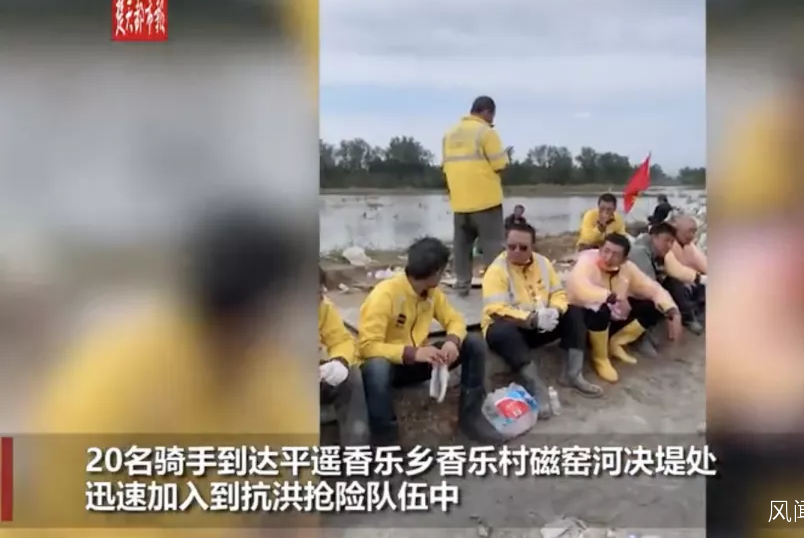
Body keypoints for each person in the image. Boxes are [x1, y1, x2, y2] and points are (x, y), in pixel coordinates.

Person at [25, 207, 312, 529]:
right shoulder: (116, 372)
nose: (243, 332)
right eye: (227, 313)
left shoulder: (265, 366)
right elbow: (67, 505)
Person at [358, 237, 503, 445]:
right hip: (392, 367)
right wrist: (412, 353)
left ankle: (471, 418)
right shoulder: (385, 295)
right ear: (436, 272)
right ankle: (385, 442)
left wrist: (452, 342)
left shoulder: (432, 293)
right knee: (377, 367)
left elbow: (454, 320)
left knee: (472, 342)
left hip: (421, 361)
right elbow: (367, 346)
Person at [482, 222, 604, 416]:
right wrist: (531, 319)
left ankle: (573, 374)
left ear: (533, 247)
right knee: (502, 330)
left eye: (523, 247)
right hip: (514, 327)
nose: (516, 251)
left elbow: (558, 293)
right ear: (505, 244)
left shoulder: (543, 263)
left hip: (543, 323)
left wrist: (556, 310)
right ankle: (536, 387)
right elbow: (496, 310)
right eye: (511, 246)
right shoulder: (496, 271)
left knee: (574, 312)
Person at [566, 233, 682, 383]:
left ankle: (617, 342)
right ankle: (601, 358)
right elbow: (580, 287)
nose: (608, 257)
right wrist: (607, 296)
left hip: (615, 314)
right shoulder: (587, 262)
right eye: (606, 251)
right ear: (600, 249)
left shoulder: (627, 268)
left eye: (615, 255)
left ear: (624, 259)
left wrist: (671, 309)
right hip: (586, 318)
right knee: (600, 310)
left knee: (653, 306)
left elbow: (652, 288)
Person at [442, 96, 510, 296]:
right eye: (492, 116)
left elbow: (445, 167)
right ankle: (496, 289)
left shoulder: (449, 135)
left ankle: (462, 285)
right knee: (493, 249)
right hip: (486, 201)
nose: (492, 120)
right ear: (487, 112)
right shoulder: (486, 132)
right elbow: (500, 164)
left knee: (461, 248)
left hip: (459, 203)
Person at [627, 222, 706, 349]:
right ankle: (637, 338)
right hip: (628, 296)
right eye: (666, 241)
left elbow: (676, 270)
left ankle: (687, 318)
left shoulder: (660, 252)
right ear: (654, 237)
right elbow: (649, 286)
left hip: (645, 289)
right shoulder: (639, 252)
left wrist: (699, 278)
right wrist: (672, 311)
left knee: (674, 283)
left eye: (671, 242)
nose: (669, 245)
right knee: (654, 304)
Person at [318, 267, 366, 446]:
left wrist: (340, 361)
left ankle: (357, 451)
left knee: (351, 376)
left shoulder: (323, 307)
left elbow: (341, 340)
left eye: (318, 293)